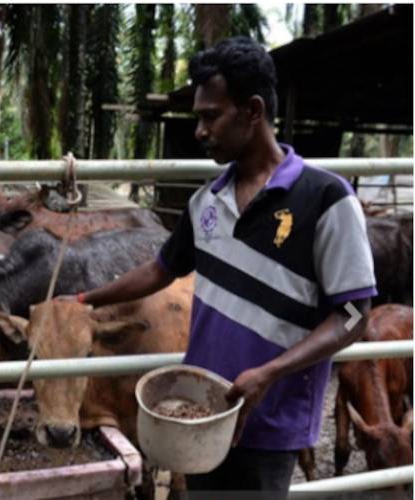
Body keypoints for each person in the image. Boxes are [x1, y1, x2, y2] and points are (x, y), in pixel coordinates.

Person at [69, 36, 376, 494]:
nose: (199, 131)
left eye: (210, 116)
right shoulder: (205, 201)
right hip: (200, 413)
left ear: (253, 111)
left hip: (269, 419)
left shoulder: (327, 200)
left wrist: (269, 374)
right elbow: (160, 270)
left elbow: (354, 314)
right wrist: (83, 300)